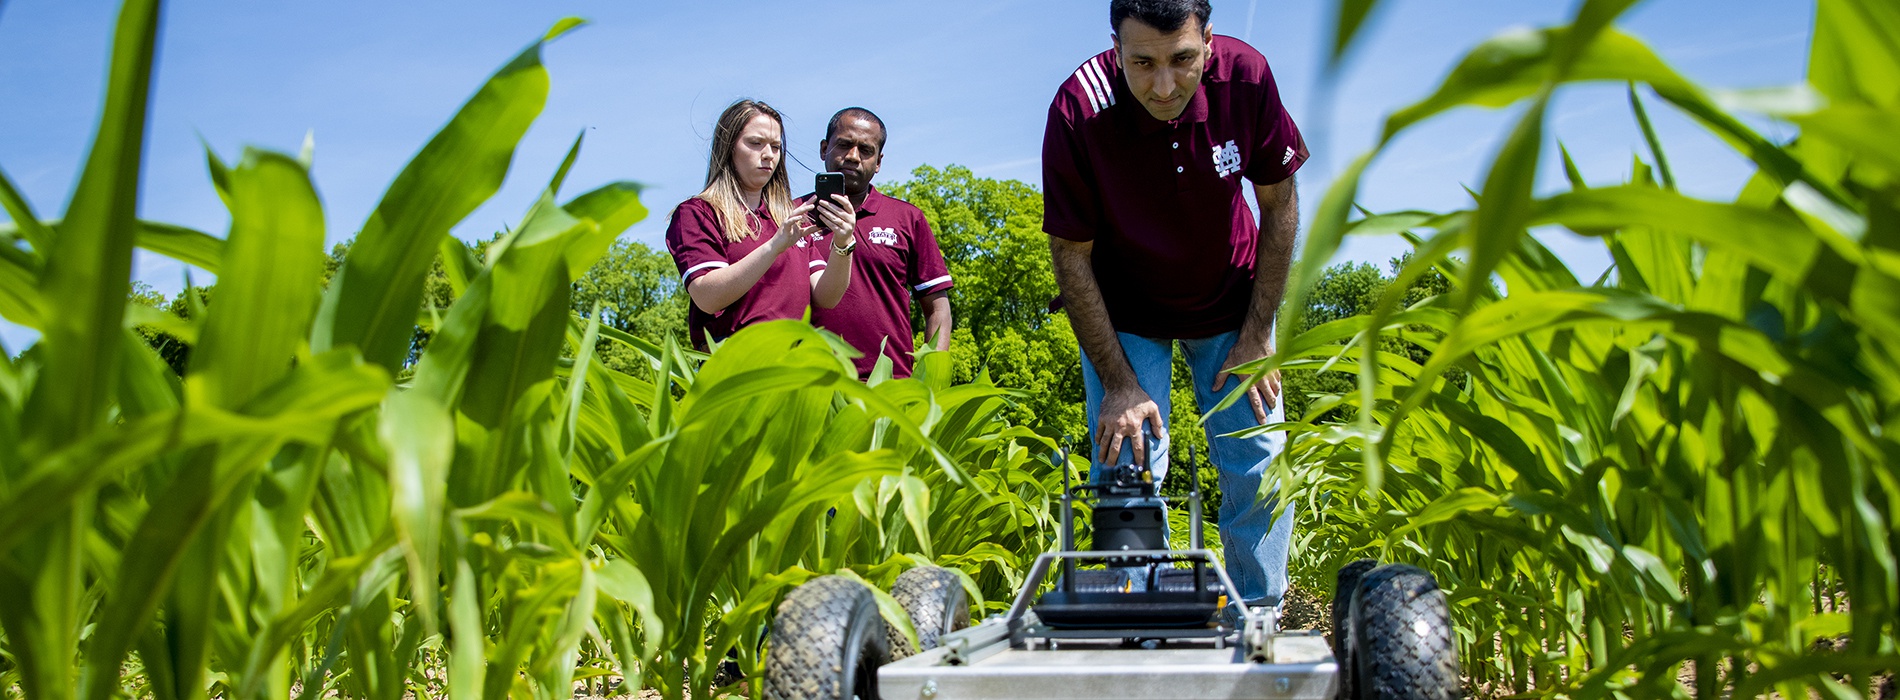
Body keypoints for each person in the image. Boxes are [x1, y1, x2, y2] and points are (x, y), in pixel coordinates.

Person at [1042, 0, 1307, 606]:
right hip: (1126, 308)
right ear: (1114, 46)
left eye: (1183, 60)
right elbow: (1071, 254)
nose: (1164, 86)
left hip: (1232, 301)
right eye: (1142, 63)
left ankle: (1257, 616)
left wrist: (1258, 333)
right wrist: (1118, 382)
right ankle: (1138, 617)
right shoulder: (1079, 107)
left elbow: (1280, 205)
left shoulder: (1247, 76)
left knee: (1259, 465)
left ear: (1209, 41)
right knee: (1127, 463)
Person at [666, 99, 860, 351]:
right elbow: (707, 297)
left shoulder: (790, 218)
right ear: (728, 146)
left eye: (776, 146)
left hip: (794, 366)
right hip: (735, 365)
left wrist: (843, 243)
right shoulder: (698, 213)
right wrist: (774, 247)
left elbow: (827, 296)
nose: (768, 154)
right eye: (755, 143)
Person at [805, 107, 955, 379]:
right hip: (807, 388)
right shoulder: (791, 218)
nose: (853, 157)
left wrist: (931, 379)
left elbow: (938, 308)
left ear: (878, 162)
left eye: (865, 150)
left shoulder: (907, 219)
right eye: (844, 145)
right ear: (824, 148)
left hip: (889, 387)